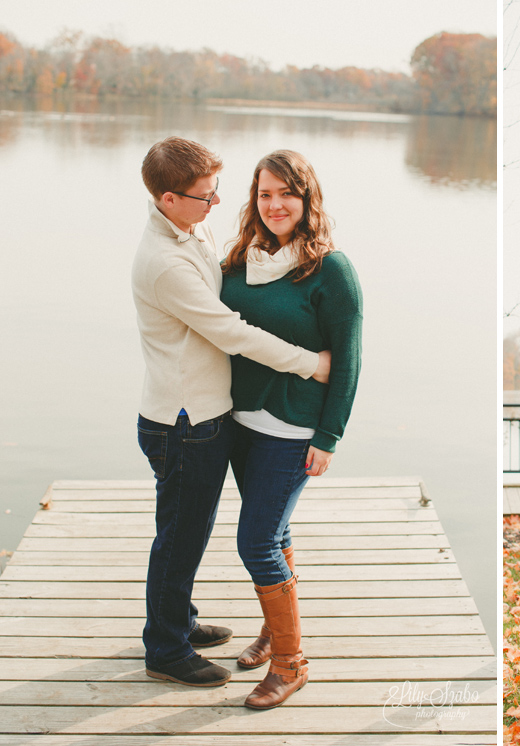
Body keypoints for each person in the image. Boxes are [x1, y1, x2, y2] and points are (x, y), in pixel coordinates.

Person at [132, 137, 332, 687]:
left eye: (217, 190)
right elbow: (229, 331)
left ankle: (178, 620)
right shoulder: (164, 263)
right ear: (168, 199)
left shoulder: (191, 228)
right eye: (203, 196)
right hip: (184, 421)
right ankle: (166, 649)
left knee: (187, 531)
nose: (216, 203)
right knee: (179, 535)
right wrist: (310, 365)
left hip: (202, 414)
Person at [220, 150, 363, 709]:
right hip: (238, 421)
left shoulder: (331, 268)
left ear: (307, 200)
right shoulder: (240, 260)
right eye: (264, 194)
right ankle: (273, 633)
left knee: (254, 540)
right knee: (273, 533)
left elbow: (348, 361)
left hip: (292, 426)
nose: (275, 205)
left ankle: (291, 661)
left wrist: (329, 438)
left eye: (286, 194)